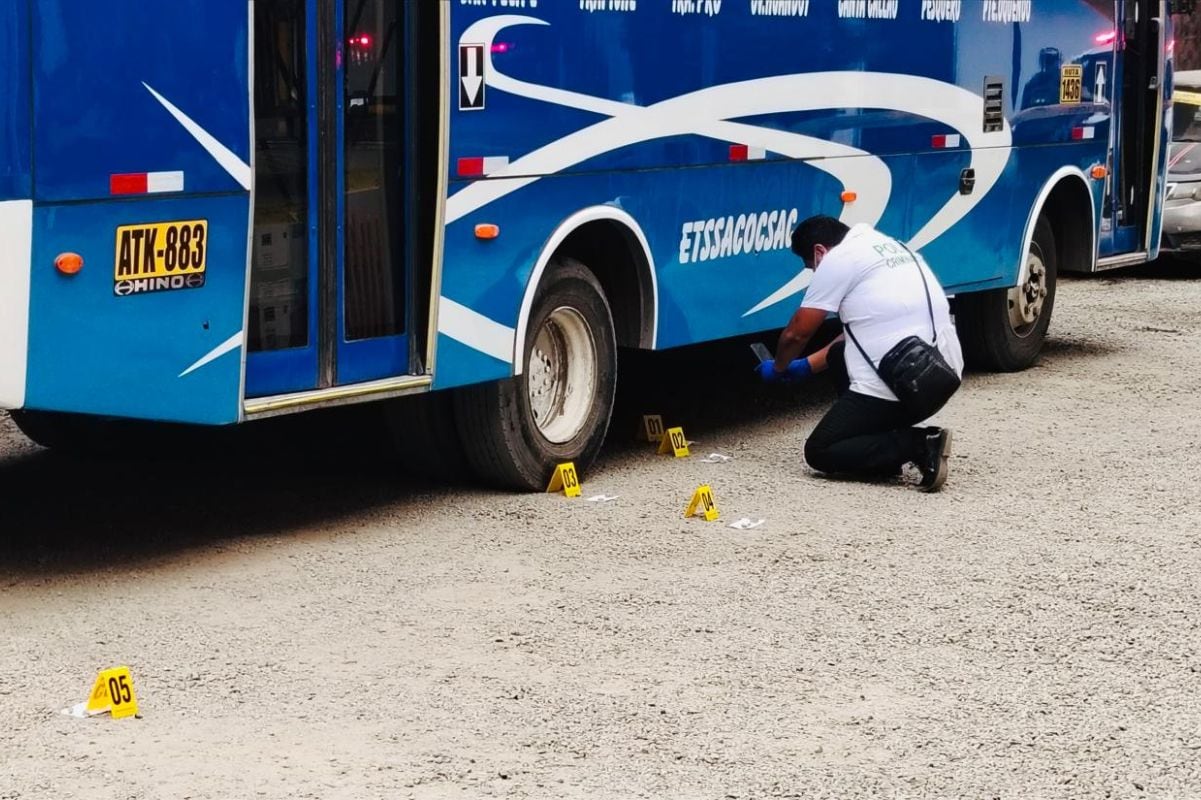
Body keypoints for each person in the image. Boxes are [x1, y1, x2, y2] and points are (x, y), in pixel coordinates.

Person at [757, 216, 963, 492]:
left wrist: (779, 367)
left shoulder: (837, 259)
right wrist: (804, 366)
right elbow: (859, 332)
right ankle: (880, 460)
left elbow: (797, 333)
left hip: (908, 384)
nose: (815, 273)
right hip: (941, 373)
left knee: (820, 449)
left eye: (811, 267)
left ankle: (919, 445)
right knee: (839, 353)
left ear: (820, 252)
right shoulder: (890, 247)